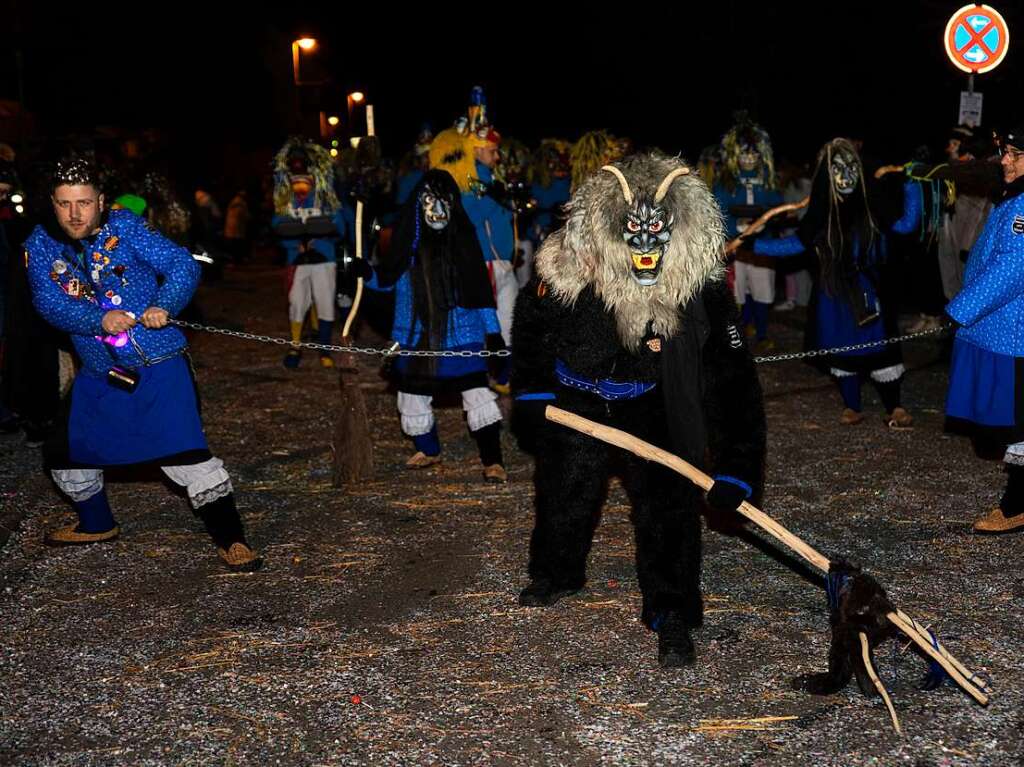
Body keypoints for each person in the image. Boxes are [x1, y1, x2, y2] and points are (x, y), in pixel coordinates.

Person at [512, 153, 766, 667]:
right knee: (564, 492)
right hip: (576, 403)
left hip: (652, 405)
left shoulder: (697, 285)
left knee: (669, 508)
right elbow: (532, 324)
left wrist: (738, 467)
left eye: (658, 235)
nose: (645, 248)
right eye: (633, 234)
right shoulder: (570, 265)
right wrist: (534, 390)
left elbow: (733, 380)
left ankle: (671, 609)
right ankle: (557, 571)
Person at [24, 158, 261, 570]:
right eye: (64, 204)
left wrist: (163, 305)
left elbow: (181, 266)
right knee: (65, 451)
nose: (75, 214)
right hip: (101, 370)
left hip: (158, 361)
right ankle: (97, 523)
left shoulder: (126, 227)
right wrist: (96, 319)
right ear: (53, 203)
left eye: (83, 202)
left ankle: (231, 539)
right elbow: (48, 302)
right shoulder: (40, 244)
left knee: (184, 453)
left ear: (100, 200)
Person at [746, 138, 921, 427]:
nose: (846, 174)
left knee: (881, 350)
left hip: (870, 290)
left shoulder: (872, 204)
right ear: (828, 173)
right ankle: (852, 406)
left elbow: (905, 225)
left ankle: (895, 406)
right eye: (837, 167)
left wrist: (910, 185)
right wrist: (755, 246)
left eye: (851, 166)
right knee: (842, 351)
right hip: (834, 293)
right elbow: (795, 244)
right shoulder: (821, 212)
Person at [353, 169, 508, 482]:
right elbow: (386, 283)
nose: (437, 210)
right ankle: (429, 449)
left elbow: (480, 295)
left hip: (462, 334)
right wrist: (364, 273)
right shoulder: (407, 247)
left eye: (444, 202)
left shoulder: (463, 245)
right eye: (429, 202)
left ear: (452, 205)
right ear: (418, 206)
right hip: (414, 336)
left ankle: (493, 461)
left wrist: (493, 334)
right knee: (411, 395)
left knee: (477, 394)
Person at [945, 122, 1024, 534]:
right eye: (1005, 152)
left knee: (1019, 424)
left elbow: (1014, 268)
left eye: (1014, 154)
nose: (1004, 161)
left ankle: (1016, 505)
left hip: (1015, 335)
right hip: (1003, 331)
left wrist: (960, 309)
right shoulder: (1015, 197)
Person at [271, 138, 346, 368]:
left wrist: (323, 236)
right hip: (298, 260)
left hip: (323, 259)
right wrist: (294, 246)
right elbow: (277, 225)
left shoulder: (325, 199)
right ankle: (295, 346)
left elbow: (341, 227)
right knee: (296, 302)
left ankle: (324, 349)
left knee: (324, 302)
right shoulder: (286, 201)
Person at [713, 114, 784, 354]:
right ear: (735, 155)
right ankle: (739, 332)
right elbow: (717, 214)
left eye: (754, 153)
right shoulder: (726, 183)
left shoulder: (768, 180)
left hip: (763, 246)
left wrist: (766, 223)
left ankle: (762, 332)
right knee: (737, 291)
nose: (749, 158)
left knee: (762, 289)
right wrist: (736, 228)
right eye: (744, 153)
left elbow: (778, 208)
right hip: (734, 247)